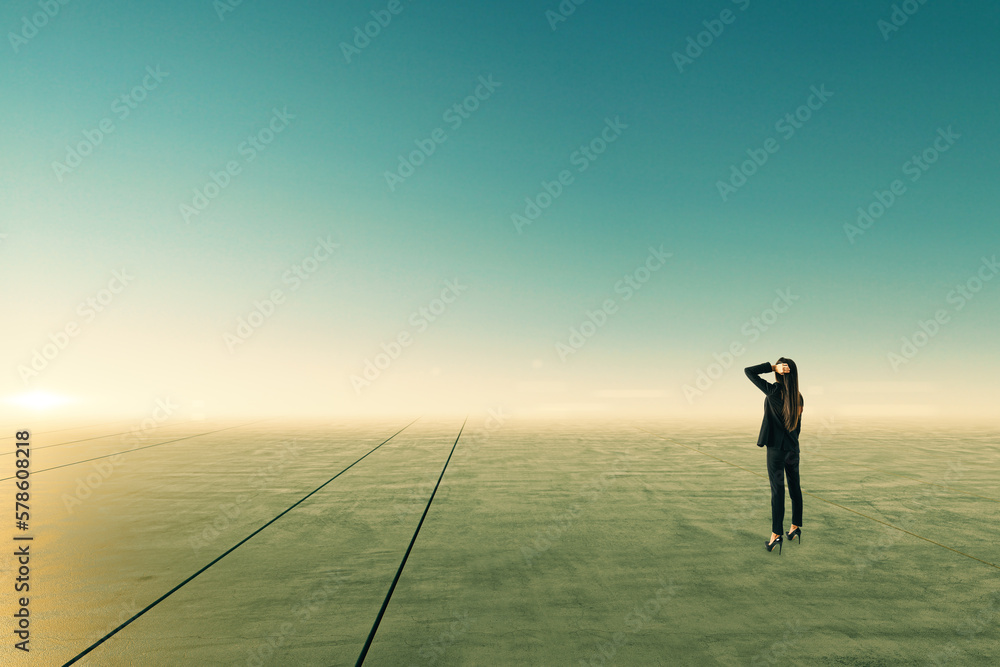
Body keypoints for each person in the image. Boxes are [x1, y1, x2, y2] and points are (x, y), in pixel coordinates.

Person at [745, 358, 804, 554]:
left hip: (776, 451)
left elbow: (749, 371)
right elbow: (798, 427)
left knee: (777, 492)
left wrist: (771, 367)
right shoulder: (799, 397)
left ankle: (776, 535)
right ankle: (795, 527)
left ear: (779, 372)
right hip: (793, 449)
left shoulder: (773, 391)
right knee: (795, 487)